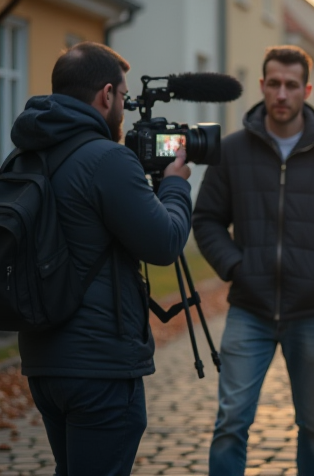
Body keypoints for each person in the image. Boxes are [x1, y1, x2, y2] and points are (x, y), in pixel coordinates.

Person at [193, 45, 314, 476]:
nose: (281, 93)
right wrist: (236, 268)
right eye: (273, 84)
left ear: (306, 90)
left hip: (311, 311)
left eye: (291, 85)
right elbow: (206, 220)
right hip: (249, 310)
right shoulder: (233, 151)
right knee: (230, 423)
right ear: (261, 86)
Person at [12, 42, 192, 475]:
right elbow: (165, 243)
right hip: (100, 367)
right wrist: (175, 184)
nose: (124, 111)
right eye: (123, 99)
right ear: (106, 95)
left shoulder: (24, 156)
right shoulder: (107, 159)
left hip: (44, 361)